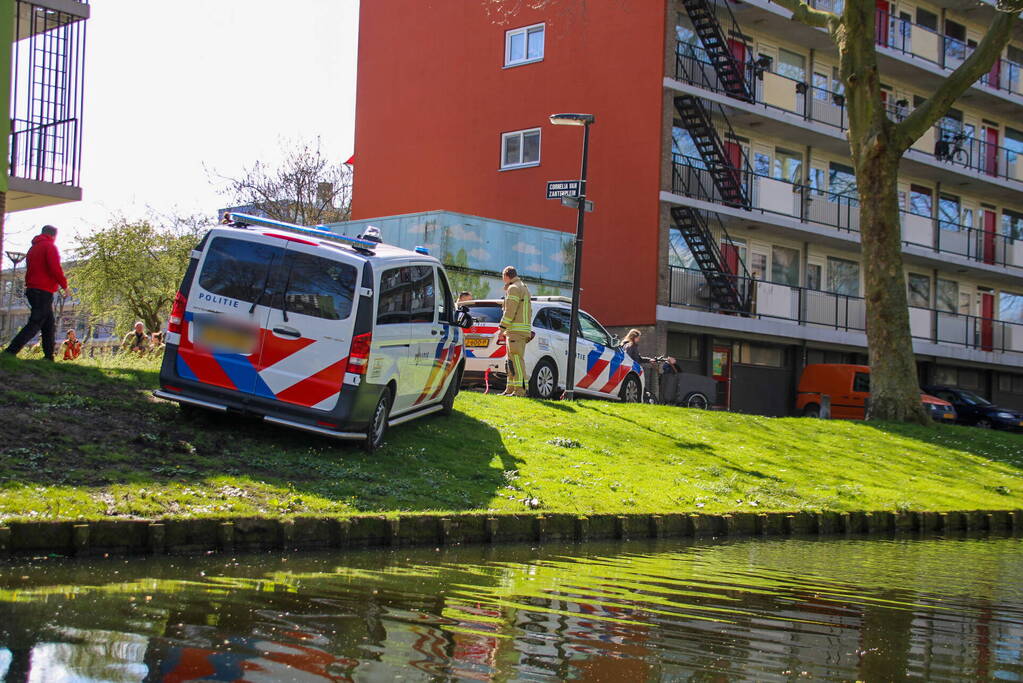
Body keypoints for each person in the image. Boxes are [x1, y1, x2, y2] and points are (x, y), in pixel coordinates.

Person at [4, 225, 68, 361]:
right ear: (54, 236)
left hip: (33, 289)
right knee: (36, 322)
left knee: (48, 324)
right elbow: (55, 268)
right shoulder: (49, 247)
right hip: (43, 290)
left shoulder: (33, 248)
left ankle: (49, 356)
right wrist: (64, 286)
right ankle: (11, 351)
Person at [497, 266, 531, 397]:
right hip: (518, 331)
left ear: (506, 276)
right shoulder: (523, 287)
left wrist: (502, 328)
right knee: (510, 361)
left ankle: (520, 391)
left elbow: (510, 311)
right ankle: (510, 389)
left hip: (515, 331)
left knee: (515, 360)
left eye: (503, 278)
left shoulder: (514, 288)